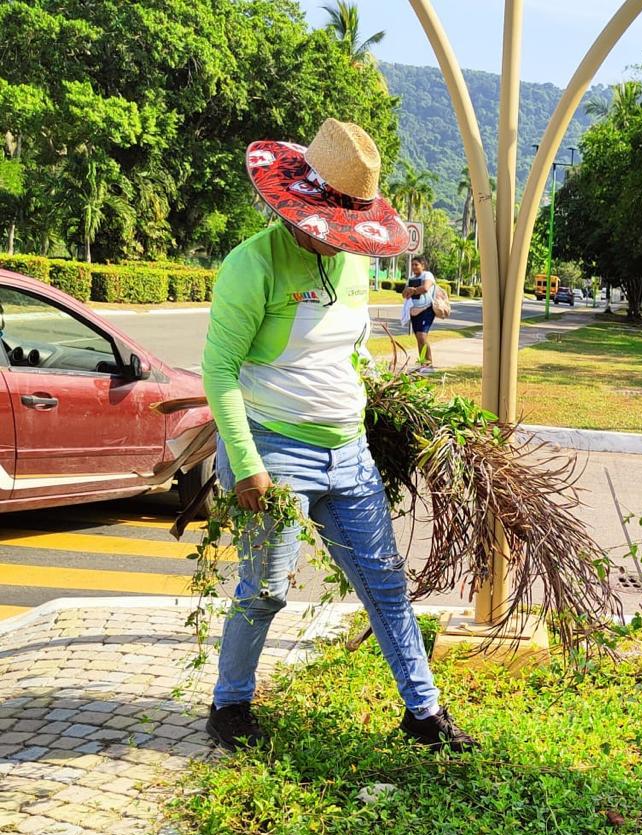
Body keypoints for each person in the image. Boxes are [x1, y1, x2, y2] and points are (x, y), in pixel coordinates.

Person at [201, 118, 475, 754]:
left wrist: (377, 402)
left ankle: (423, 712)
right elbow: (218, 371)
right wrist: (246, 463)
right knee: (265, 589)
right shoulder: (252, 265)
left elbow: (348, 350)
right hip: (273, 450)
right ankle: (229, 704)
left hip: (348, 451)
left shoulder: (351, 264)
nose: (337, 239)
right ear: (296, 204)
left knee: (384, 583)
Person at [401, 255, 437, 369]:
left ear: (423, 265)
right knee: (418, 338)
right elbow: (404, 294)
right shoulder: (411, 278)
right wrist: (408, 290)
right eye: (412, 265)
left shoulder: (427, 275)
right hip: (414, 311)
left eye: (416, 264)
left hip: (426, 309)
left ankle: (429, 364)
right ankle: (423, 363)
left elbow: (425, 288)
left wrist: (413, 290)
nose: (414, 267)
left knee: (422, 337)